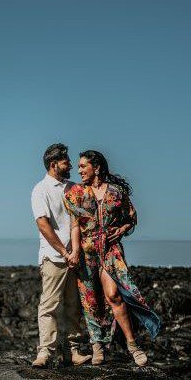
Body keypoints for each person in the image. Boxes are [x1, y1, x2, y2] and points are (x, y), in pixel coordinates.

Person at [63, 150, 161, 365]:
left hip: (110, 249)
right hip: (86, 251)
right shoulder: (76, 193)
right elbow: (75, 226)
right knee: (90, 301)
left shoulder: (116, 192)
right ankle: (97, 346)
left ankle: (133, 346)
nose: (78, 170)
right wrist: (75, 251)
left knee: (114, 295)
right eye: (78, 166)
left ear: (96, 168)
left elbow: (131, 217)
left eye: (83, 166)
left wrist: (122, 228)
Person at [30, 143, 92, 368]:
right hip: (54, 257)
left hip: (75, 256)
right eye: (66, 162)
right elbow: (42, 224)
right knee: (49, 305)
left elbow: (80, 221)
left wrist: (75, 252)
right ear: (53, 164)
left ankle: (73, 352)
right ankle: (45, 353)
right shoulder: (41, 189)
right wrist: (64, 251)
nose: (71, 165)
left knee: (74, 306)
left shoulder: (74, 188)